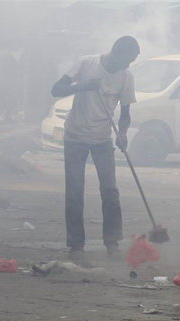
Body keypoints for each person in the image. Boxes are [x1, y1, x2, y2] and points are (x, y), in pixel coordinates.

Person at [51, 36, 140, 263]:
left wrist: (122, 133)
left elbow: (126, 113)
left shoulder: (126, 77)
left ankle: (112, 243)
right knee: (74, 192)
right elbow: (56, 89)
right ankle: (76, 245)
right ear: (116, 52)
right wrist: (82, 85)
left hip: (102, 139)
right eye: (127, 60)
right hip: (75, 137)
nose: (128, 65)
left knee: (110, 191)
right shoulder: (86, 63)